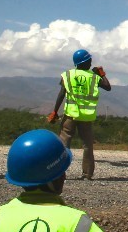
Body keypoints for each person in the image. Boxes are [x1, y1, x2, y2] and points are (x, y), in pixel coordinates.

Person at [47, 49, 111, 180]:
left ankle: (59, 173)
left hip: (70, 115)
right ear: (86, 62)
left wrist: (55, 111)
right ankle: (87, 174)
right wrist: (102, 74)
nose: (91, 62)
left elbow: (61, 93)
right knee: (87, 145)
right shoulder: (94, 77)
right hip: (86, 117)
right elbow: (108, 87)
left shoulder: (68, 75)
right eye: (90, 60)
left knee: (64, 143)